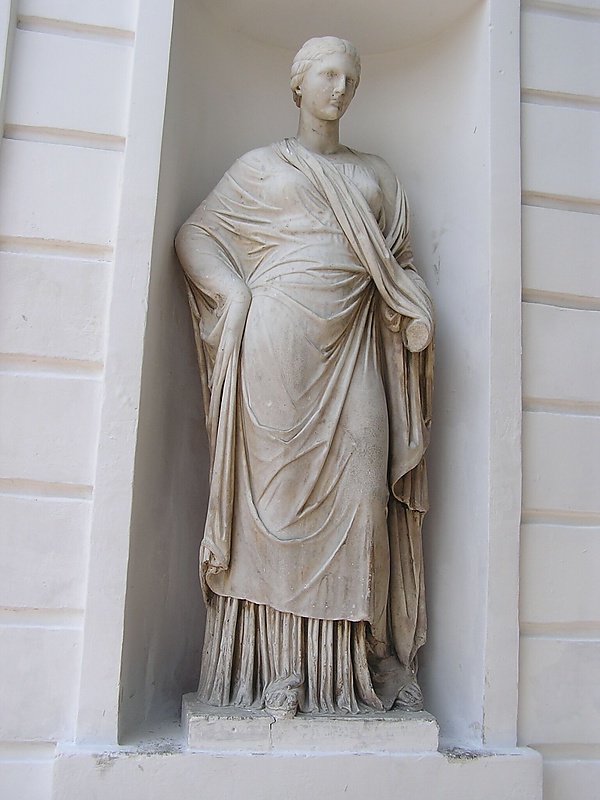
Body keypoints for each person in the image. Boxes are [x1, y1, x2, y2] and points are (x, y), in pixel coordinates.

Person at [175, 36, 434, 719]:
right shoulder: (261, 167)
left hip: (355, 347)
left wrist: (415, 307)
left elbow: (400, 265)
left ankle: (348, 671)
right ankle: (279, 670)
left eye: (351, 77)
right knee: (277, 509)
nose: (340, 88)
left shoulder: (376, 176)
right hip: (275, 347)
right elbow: (195, 235)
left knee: (365, 500)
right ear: (299, 83)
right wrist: (233, 292)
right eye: (328, 74)